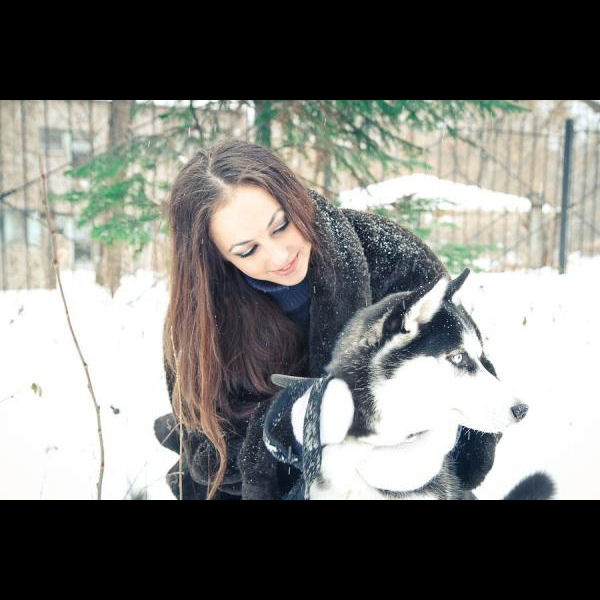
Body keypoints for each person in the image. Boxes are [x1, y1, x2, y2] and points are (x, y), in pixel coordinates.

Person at [153, 138, 500, 500]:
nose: (279, 256)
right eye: (248, 250)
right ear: (217, 259)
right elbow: (210, 454)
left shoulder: (393, 259)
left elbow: (476, 392)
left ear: (294, 198)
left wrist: (410, 450)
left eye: (281, 225)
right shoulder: (202, 318)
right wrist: (289, 431)